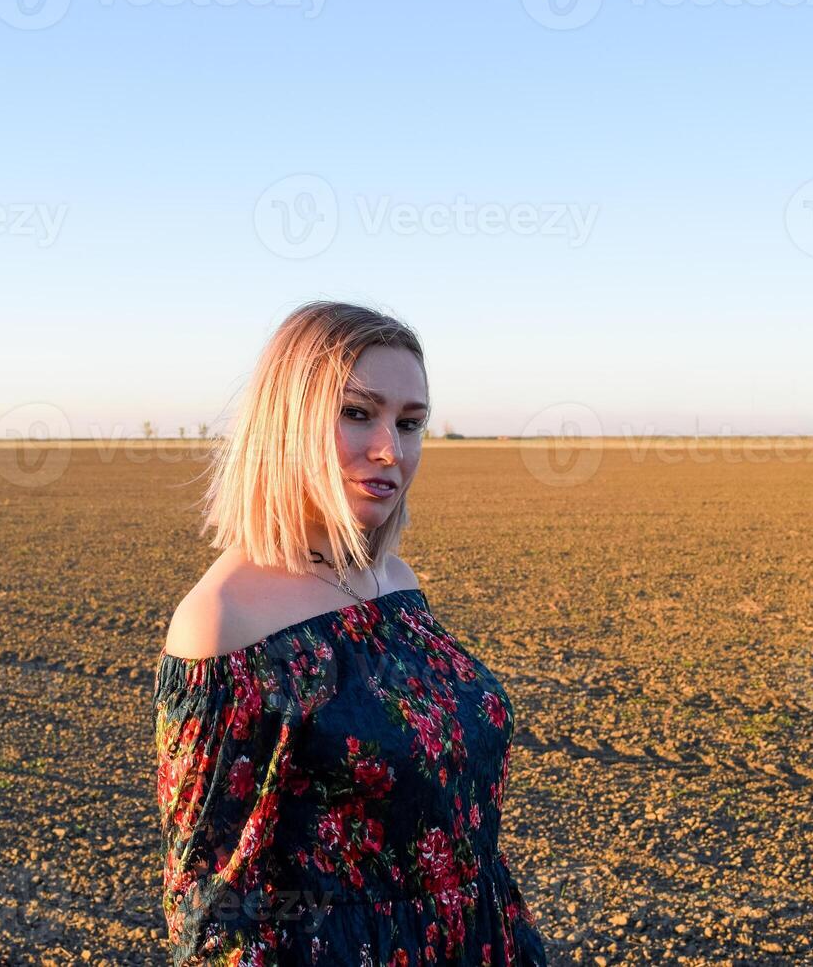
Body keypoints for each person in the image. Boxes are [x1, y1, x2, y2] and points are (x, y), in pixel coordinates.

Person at [154, 300, 548, 965]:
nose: (391, 448)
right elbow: (211, 913)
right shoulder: (225, 623)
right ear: (287, 424)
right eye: (357, 413)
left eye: (411, 422)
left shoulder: (394, 582)